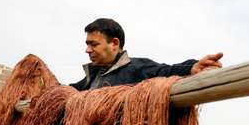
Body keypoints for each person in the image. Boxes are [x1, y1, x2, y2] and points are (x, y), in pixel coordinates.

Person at [71, 18, 223, 90]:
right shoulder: (91, 78)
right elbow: (68, 91)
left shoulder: (136, 68)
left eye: (94, 44)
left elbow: (166, 71)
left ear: (115, 44)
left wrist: (192, 67)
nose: (88, 50)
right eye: (87, 44)